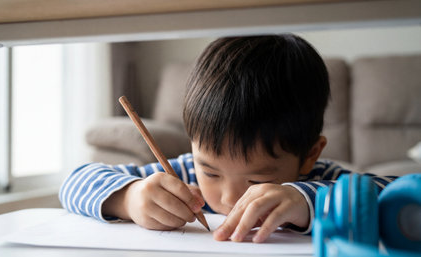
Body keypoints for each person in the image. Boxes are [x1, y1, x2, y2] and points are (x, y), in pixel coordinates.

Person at [59, 34, 396, 243]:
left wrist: (305, 202)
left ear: (309, 155)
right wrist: (130, 198)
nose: (230, 196)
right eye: (212, 172)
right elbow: (75, 182)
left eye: (257, 178)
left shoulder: (320, 181)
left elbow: (403, 197)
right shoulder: (185, 177)